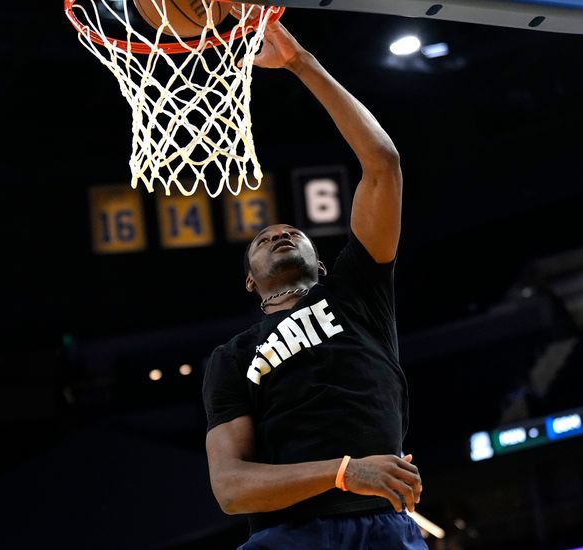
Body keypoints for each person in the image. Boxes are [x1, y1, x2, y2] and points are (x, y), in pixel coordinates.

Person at [202, 21, 427, 549]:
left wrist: (302, 62)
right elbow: (231, 489)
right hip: (289, 536)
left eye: (292, 233)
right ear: (250, 282)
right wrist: (345, 472)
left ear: (322, 266)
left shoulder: (356, 292)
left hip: (385, 529)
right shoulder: (232, 357)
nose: (279, 232)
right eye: (264, 238)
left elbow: (383, 164)